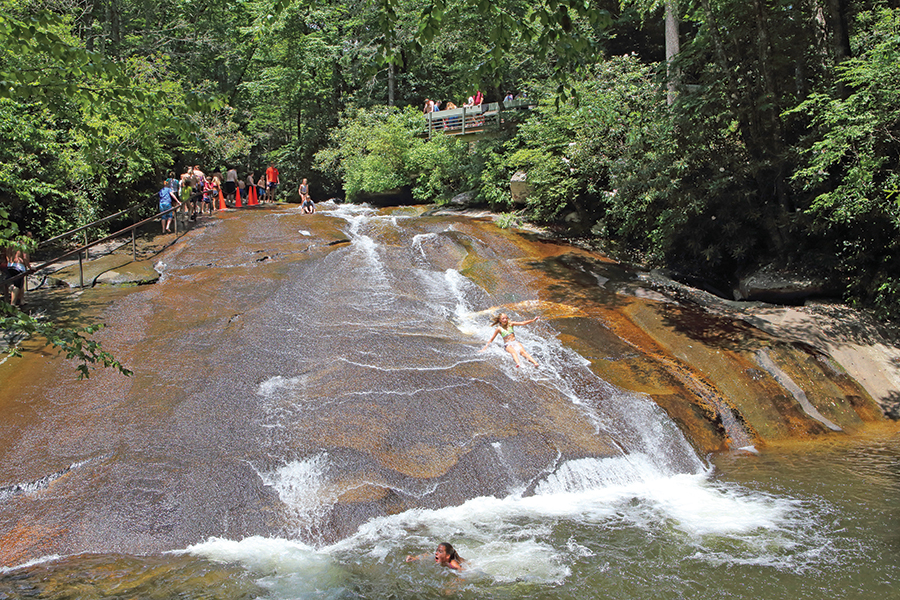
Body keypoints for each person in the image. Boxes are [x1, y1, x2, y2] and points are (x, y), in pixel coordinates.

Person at [7, 232, 32, 307]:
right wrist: (30, 267)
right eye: (30, 237)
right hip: (18, 266)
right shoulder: (23, 245)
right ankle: (13, 304)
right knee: (17, 285)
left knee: (21, 283)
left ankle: (22, 300)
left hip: (10, 265)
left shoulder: (11, 244)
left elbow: (7, 255)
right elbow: (25, 257)